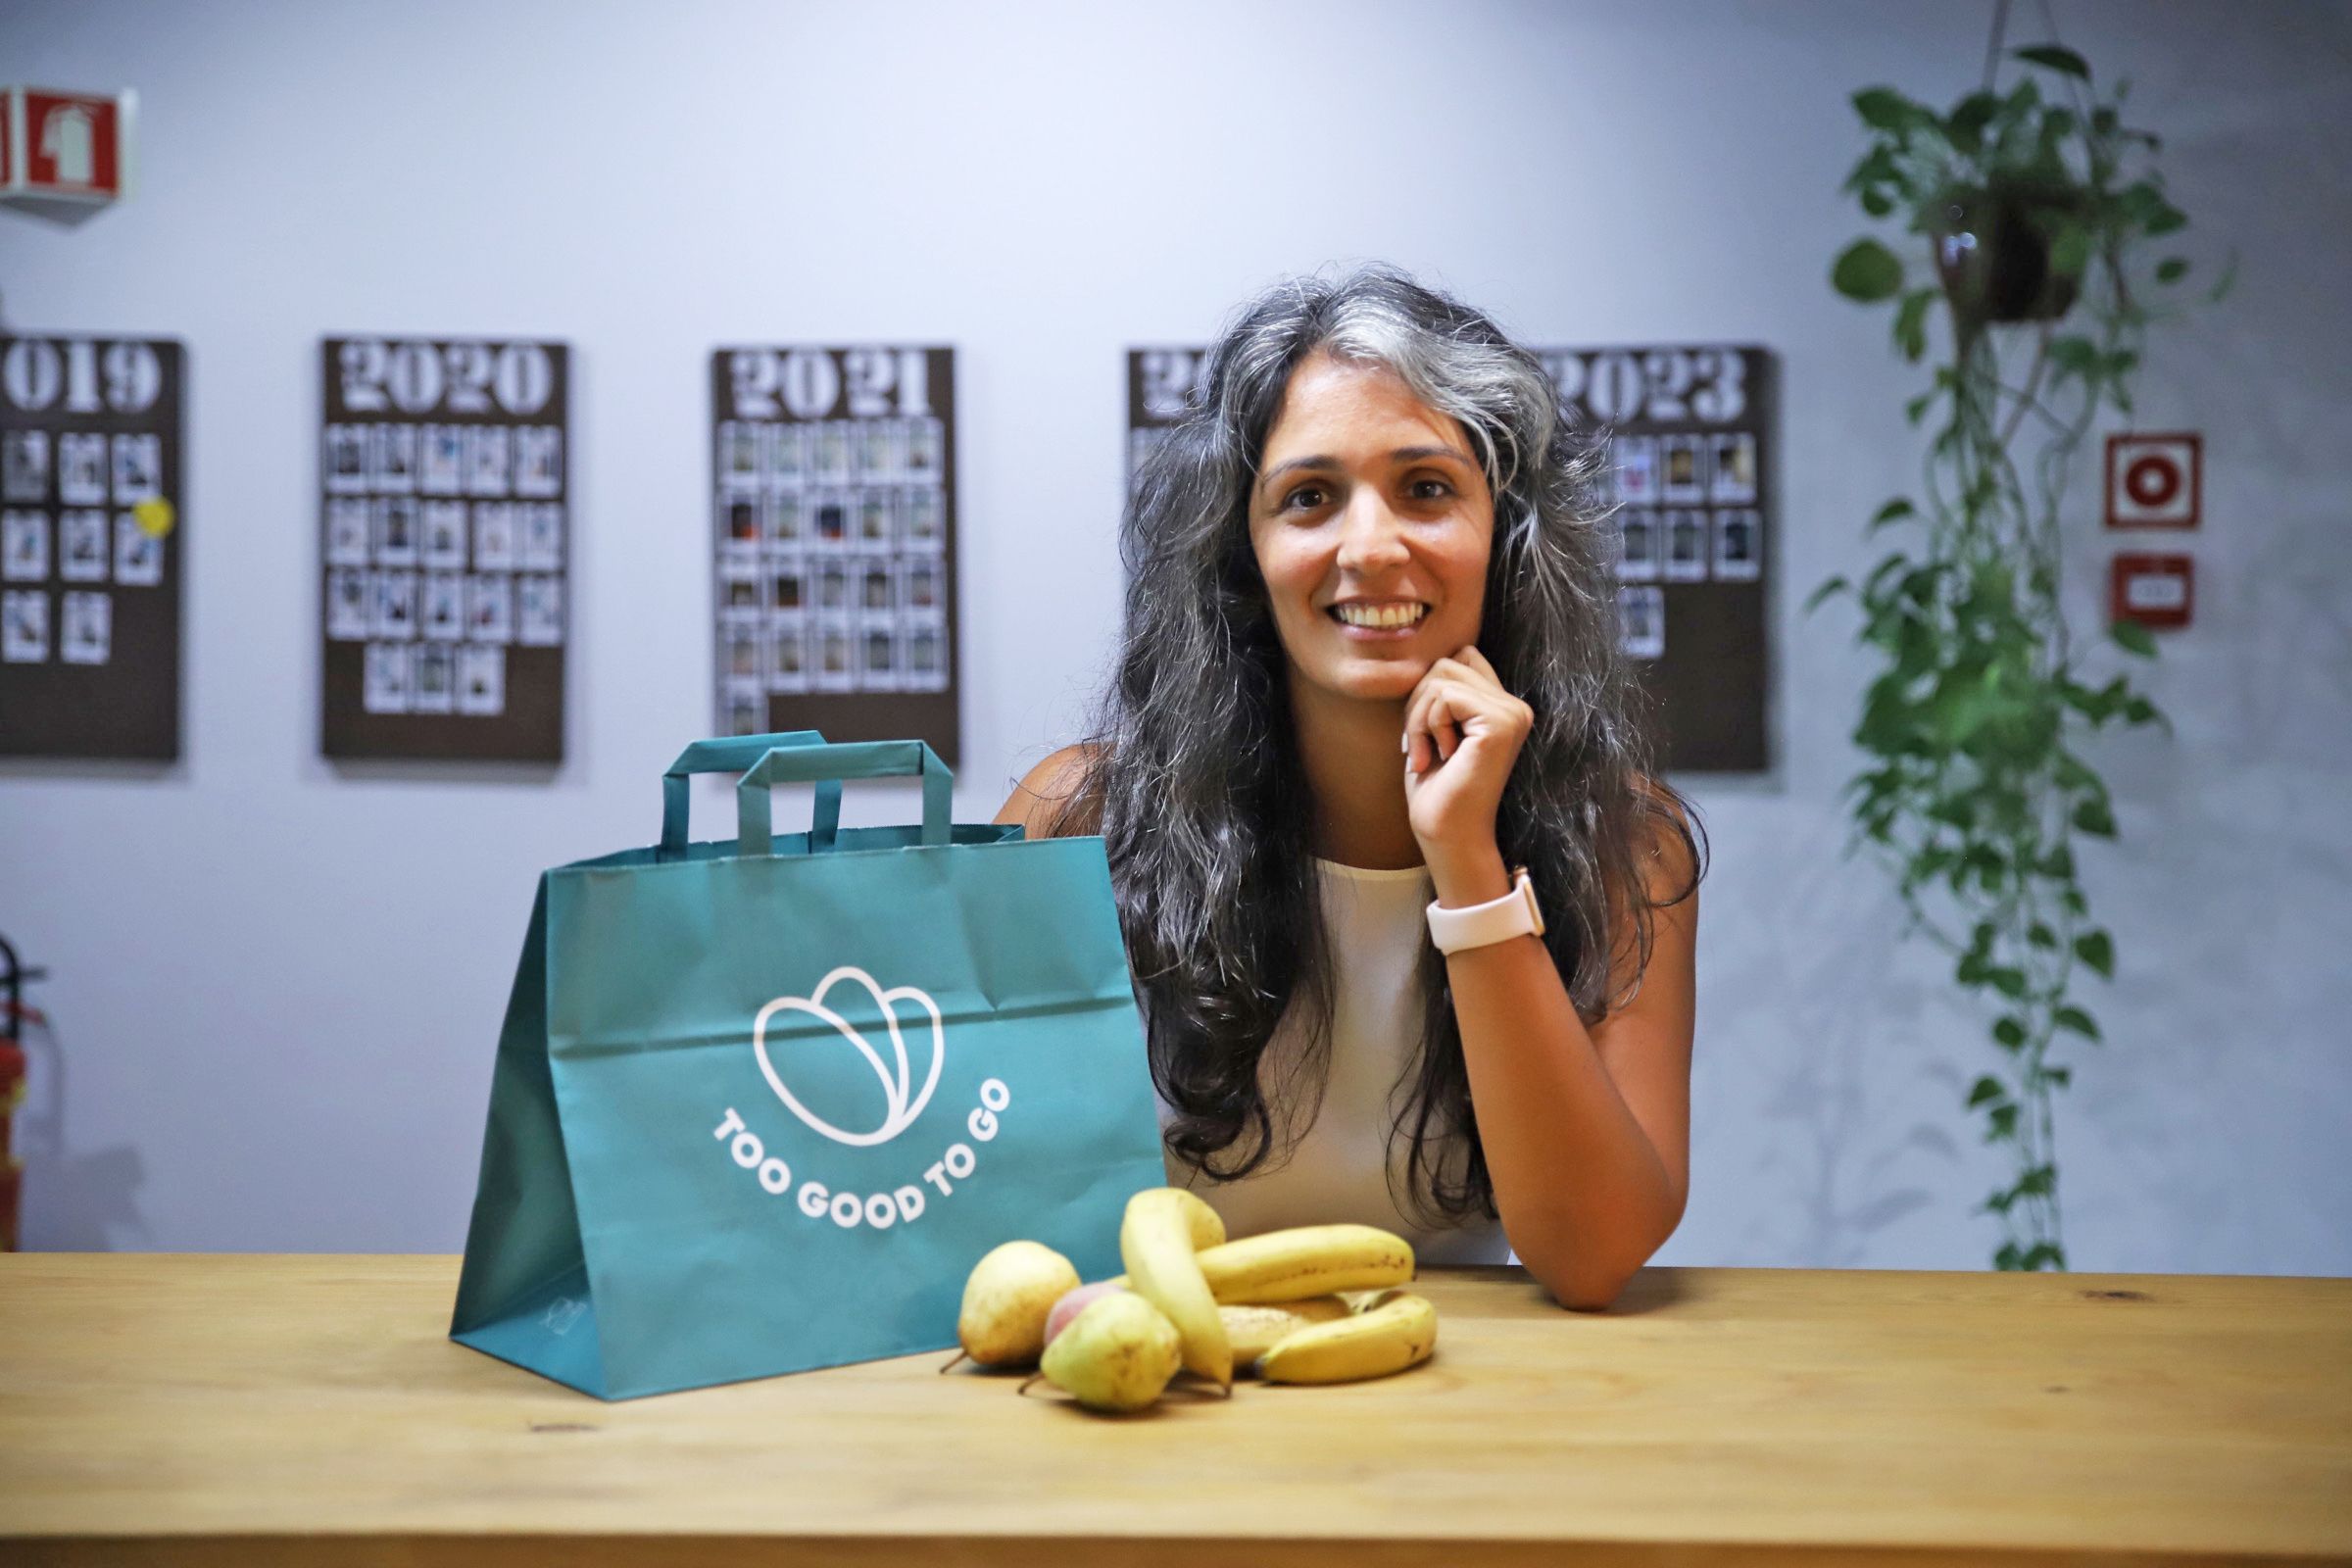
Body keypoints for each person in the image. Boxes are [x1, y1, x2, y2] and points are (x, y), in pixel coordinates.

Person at [998, 267, 1703, 1311]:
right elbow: (985, 1203)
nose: (1371, 548)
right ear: (1244, 553)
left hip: (1468, 1404)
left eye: (1426, 488)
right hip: (1155, 1393)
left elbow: (1593, 1253)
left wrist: (1467, 860)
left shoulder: (1623, 843)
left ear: (1505, 542)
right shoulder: (1081, 821)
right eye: (1310, 497)